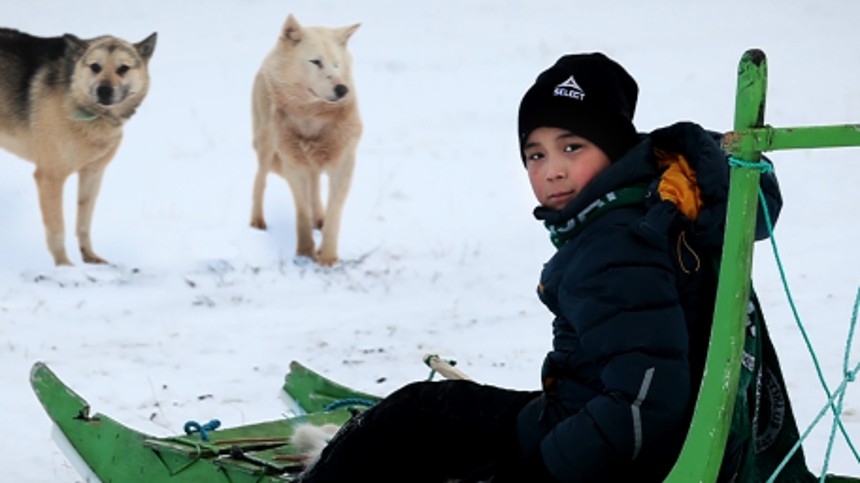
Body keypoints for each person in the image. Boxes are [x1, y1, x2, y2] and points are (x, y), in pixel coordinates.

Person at [297, 52, 799, 482]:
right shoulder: (644, 212)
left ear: (617, 150)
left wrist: (541, 470)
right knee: (425, 413)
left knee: (410, 419)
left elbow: (642, 403)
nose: (551, 169)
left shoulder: (620, 243)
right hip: (594, 420)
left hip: (617, 453)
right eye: (535, 154)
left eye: (572, 147)